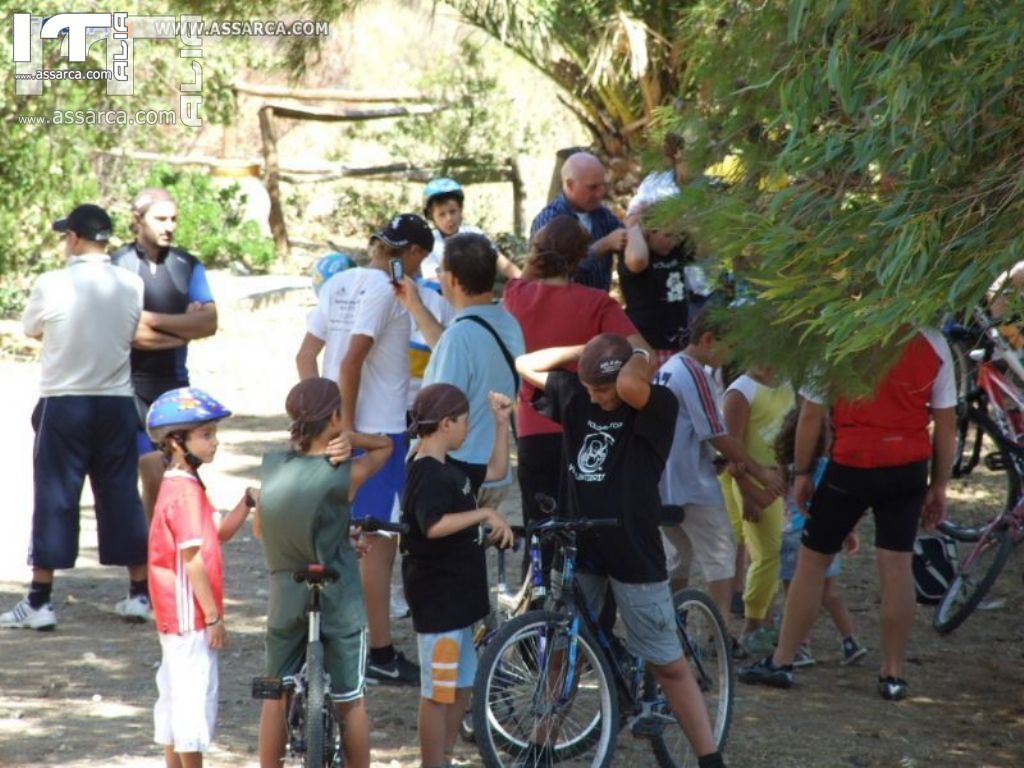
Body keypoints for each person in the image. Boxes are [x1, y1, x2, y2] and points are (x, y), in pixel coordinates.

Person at [515, 333, 727, 768]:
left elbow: (630, 387)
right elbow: (525, 362)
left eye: (605, 389)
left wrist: (639, 354)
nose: (600, 398)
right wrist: (587, 351)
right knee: (561, 653)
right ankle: (540, 751)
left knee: (667, 663)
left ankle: (709, 758)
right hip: (580, 543)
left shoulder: (657, 405)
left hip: (633, 548)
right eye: (592, 388)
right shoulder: (577, 396)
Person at [738, 327, 956, 700]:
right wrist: (939, 483)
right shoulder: (934, 342)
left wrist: (802, 472)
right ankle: (892, 674)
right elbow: (946, 424)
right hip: (907, 465)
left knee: (812, 563)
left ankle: (782, 661)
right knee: (896, 567)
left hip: (851, 465)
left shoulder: (840, 332)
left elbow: (810, 416)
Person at [295, 213, 434, 685]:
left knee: (342, 539)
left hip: (334, 426)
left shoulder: (340, 282)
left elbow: (305, 356)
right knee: (377, 545)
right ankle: (379, 651)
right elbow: (352, 361)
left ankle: (339, 643)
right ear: (412, 253)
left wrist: (318, 419)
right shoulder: (383, 290)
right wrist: (349, 431)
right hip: (376, 430)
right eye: (419, 259)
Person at [1, 204, 148, 631]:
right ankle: (138, 592)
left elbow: (31, 329)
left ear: (75, 238)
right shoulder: (131, 284)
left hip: (65, 400)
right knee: (121, 492)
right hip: (117, 401)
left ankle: (40, 598)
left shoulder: (52, 283)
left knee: (55, 496)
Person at [256, 377, 394, 768]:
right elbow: (385, 446)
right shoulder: (343, 473)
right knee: (351, 700)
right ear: (335, 417)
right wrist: (351, 437)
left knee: (273, 694)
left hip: (286, 591)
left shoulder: (273, 469)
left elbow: (262, 527)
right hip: (337, 594)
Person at [503, 215, 646, 575]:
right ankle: (591, 626)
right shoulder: (598, 303)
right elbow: (641, 352)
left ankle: (534, 624)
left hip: (534, 428)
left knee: (540, 533)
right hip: (587, 427)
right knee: (589, 534)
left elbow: (525, 275)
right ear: (582, 258)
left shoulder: (515, 295)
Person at [401, 383, 515, 768]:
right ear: (446, 423)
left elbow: (497, 470)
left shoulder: (451, 466)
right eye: (466, 422)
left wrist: (502, 424)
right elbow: (431, 525)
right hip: (439, 599)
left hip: (460, 598)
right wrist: (484, 514)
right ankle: (433, 761)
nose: (469, 429)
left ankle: (446, 755)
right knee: (438, 691)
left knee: (463, 682)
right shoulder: (425, 472)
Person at [145, 386, 254, 768]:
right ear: (177, 442)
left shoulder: (179, 484)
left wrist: (246, 504)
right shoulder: (186, 493)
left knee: (176, 702)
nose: (215, 441)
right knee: (192, 705)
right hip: (191, 617)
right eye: (206, 434)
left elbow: (216, 535)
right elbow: (194, 561)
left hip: (173, 615)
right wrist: (214, 617)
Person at [655, 309, 785, 627]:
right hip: (691, 484)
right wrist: (760, 471)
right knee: (720, 557)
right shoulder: (694, 372)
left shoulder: (669, 367)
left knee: (676, 559)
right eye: (730, 348)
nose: (732, 357)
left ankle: (673, 627)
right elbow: (716, 432)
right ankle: (719, 630)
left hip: (665, 482)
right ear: (709, 340)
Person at [112, 188, 218, 530]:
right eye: (160, 218)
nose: (169, 226)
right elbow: (126, 333)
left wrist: (150, 319)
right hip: (127, 384)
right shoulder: (118, 265)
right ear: (137, 220)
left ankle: (175, 544)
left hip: (173, 384)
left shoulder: (188, 265)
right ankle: (156, 546)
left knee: (180, 468)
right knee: (151, 466)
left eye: (173, 219)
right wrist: (184, 328)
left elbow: (209, 323)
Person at [396, 232, 525, 496]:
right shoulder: (507, 323)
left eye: (440, 270)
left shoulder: (460, 337)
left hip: (457, 479)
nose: (438, 276)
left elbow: (440, 413)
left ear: (453, 279)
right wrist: (415, 305)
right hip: (491, 472)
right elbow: (454, 347)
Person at [765, 407, 867, 667]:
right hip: (827, 534)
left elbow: (770, 497)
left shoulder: (788, 471)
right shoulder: (830, 469)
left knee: (795, 594)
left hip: (794, 536)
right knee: (830, 593)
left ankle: (801, 646)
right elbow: (844, 504)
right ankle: (850, 639)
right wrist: (851, 530)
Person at [719, 365, 794, 656]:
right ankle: (751, 625)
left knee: (771, 551)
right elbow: (733, 451)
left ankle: (765, 618)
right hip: (751, 480)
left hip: (777, 477)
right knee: (768, 553)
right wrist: (748, 494)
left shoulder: (787, 380)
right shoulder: (741, 391)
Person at [529, 152, 626, 290]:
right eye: (592, 187)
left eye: (602, 185)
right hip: (562, 308)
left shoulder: (603, 214)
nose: (600, 193)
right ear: (570, 184)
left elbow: (625, 239)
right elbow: (552, 271)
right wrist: (605, 244)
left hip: (598, 307)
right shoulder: (550, 220)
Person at [421, 177, 520, 283]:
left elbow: (503, 264)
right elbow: (432, 279)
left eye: (453, 212)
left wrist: (525, 281)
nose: (449, 218)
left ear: (461, 209)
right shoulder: (429, 243)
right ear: (432, 217)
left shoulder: (475, 234)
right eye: (442, 214)